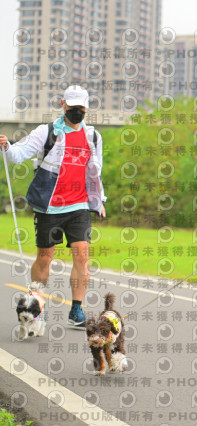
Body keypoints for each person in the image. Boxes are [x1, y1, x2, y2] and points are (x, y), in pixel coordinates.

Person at [0, 85, 106, 328]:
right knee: (45, 258)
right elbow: (17, 155)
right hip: (49, 206)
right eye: (72, 106)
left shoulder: (93, 136)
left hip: (79, 205)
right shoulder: (46, 132)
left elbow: (95, 172)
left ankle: (76, 310)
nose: (76, 111)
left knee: (82, 254)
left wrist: (99, 200)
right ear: (62, 104)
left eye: (81, 108)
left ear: (86, 108)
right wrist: (7, 147)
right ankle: (37, 306)